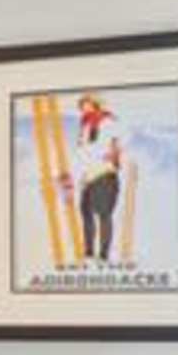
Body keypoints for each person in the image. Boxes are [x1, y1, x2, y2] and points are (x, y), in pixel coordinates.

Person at [74, 96, 126, 264]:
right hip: (89, 176)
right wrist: (81, 174)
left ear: (96, 105)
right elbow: (83, 151)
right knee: (86, 213)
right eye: (82, 106)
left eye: (87, 105)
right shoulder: (85, 125)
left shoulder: (108, 122)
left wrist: (112, 152)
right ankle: (88, 254)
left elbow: (111, 146)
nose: (83, 109)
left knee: (104, 215)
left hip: (104, 174)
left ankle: (103, 256)